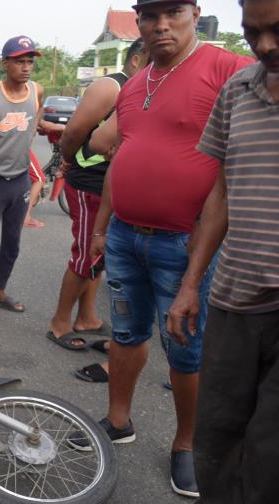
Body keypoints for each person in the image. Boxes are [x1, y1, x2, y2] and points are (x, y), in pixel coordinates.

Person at [69, 0, 252, 498]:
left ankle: (188, 446)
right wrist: (102, 228)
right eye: (150, 15)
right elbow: (123, 156)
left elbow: (244, 156)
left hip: (187, 243)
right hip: (126, 236)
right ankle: (118, 421)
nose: (161, 24)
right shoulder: (134, 84)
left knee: (186, 352)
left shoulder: (230, 69)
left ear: (195, 13)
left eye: (173, 11)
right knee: (126, 334)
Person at [168, 0, 277, 501]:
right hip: (234, 300)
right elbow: (223, 192)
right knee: (216, 435)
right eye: (253, 33)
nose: (266, 46)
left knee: (268, 455)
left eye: (277, 31)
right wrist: (192, 283)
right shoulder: (239, 88)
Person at [45, 38, 146, 370]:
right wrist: (69, 161)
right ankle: (60, 322)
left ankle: (86, 317)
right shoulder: (111, 86)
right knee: (86, 251)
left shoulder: (147, 89)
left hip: (115, 185)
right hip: (90, 183)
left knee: (99, 254)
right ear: (136, 59)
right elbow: (74, 131)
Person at [0, 35, 51, 321]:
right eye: (20, 62)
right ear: (5, 64)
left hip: (19, 181)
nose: (26, 67)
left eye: (30, 62)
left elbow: (36, 115)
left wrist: (31, 134)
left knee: (13, 241)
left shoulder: (36, 90)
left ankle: (1, 290)